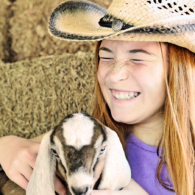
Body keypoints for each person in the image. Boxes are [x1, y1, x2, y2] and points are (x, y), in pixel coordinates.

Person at [0, 0, 195, 194]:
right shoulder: (89, 137)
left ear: (180, 71)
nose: (114, 74)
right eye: (106, 57)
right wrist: (8, 146)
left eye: (137, 59)